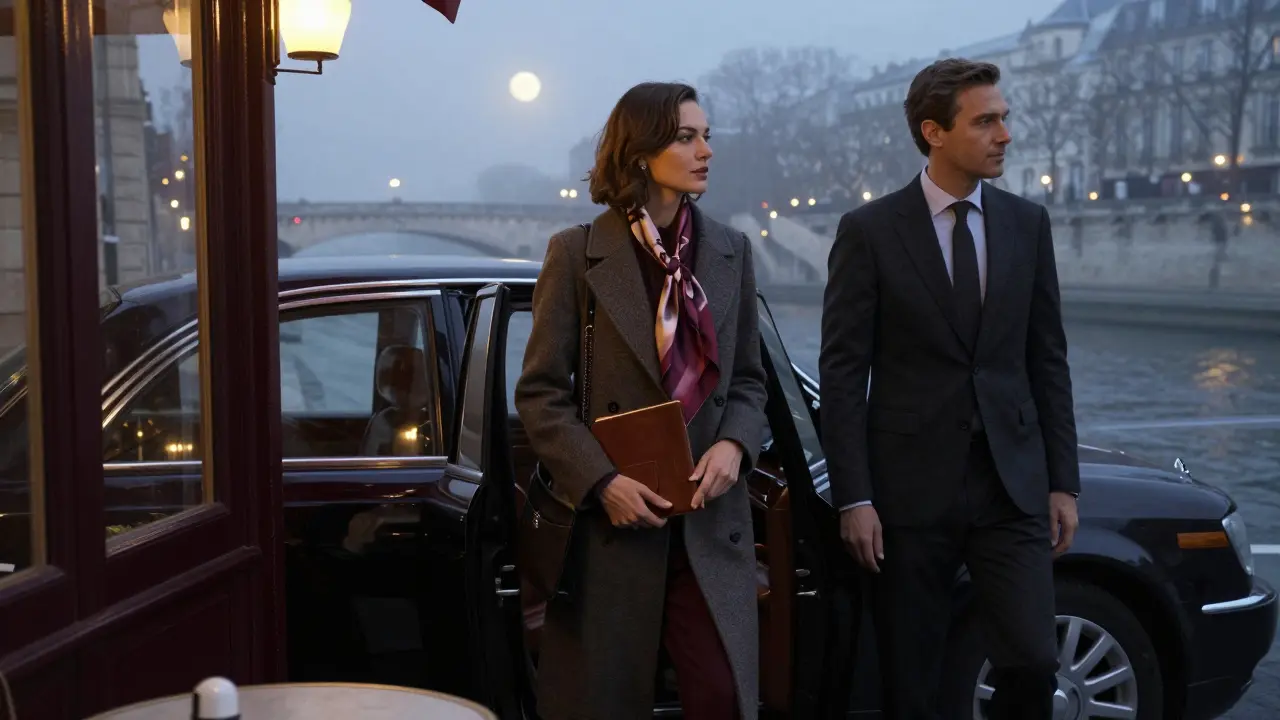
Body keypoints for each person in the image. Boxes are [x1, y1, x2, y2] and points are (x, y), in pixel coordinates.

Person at [818, 58, 1081, 720]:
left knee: (1033, 658)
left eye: (1005, 118)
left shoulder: (1028, 223)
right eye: (986, 121)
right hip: (908, 492)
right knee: (912, 676)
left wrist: (1063, 482)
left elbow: (1047, 357)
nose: (1005, 134)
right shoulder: (870, 232)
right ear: (934, 131)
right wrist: (855, 496)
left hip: (1010, 486)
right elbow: (844, 374)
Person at [515, 81, 767, 720]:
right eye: (687, 137)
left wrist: (736, 443)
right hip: (615, 528)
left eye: (707, 135)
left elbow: (747, 381)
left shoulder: (731, 252)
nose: (707, 149)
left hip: (709, 522)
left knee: (719, 697)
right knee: (607, 702)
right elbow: (542, 395)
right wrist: (601, 483)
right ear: (640, 151)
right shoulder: (575, 253)